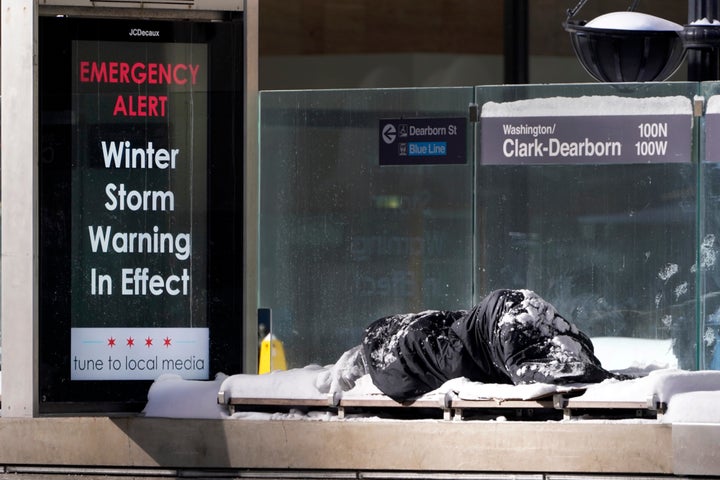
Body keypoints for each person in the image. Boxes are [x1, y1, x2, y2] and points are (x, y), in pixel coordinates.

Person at [317, 289, 622, 402]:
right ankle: (574, 357)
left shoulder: (396, 363)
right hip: (503, 312)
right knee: (537, 356)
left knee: (532, 364)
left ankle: (584, 366)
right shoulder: (409, 335)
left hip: (499, 327)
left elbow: (447, 360)